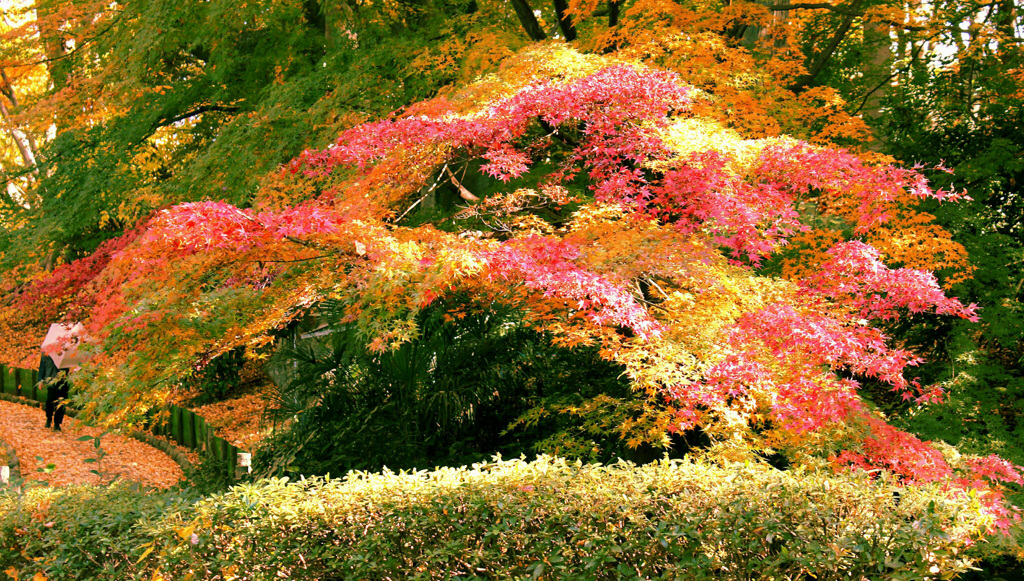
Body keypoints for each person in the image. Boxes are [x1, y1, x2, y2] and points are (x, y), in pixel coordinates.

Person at [37, 354, 71, 431]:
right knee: (50, 400)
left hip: (63, 380)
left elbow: (70, 364)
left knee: (61, 402)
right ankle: (49, 418)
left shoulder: (65, 352)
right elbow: (42, 367)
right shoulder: (47, 353)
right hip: (51, 380)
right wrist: (40, 380)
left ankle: (57, 423)